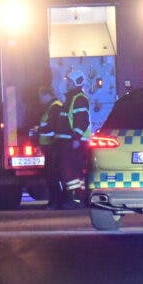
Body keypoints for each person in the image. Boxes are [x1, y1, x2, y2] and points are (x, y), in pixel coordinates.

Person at [35, 85, 72, 209]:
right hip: (50, 147)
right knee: (52, 176)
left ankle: (56, 202)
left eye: (40, 97)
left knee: (52, 177)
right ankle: (57, 201)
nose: (39, 100)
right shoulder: (52, 107)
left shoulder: (55, 107)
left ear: (46, 95)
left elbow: (52, 128)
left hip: (53, 147)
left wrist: (37, 130)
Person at [62, 69, 91, 200]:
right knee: (74, 170)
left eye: (69, 82)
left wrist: (76, 138)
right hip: (73, 140)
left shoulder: (79, 99)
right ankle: (78, 198)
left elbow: (82, 121)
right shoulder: (73, 97)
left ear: (75, 82)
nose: (67, 84)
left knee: (73, 170)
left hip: (77, 141)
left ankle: (76, 199)